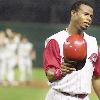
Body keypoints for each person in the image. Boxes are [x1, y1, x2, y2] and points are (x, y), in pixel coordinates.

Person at [43, 1, 100, 100]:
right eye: (85, 14)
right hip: (59, 96)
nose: (89, 18)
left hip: (84, 98)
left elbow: (97, 77)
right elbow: (49, 74)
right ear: (73, 13)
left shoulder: (93, 42)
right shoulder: (55, 40)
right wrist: (60, 72)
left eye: (91, 16)